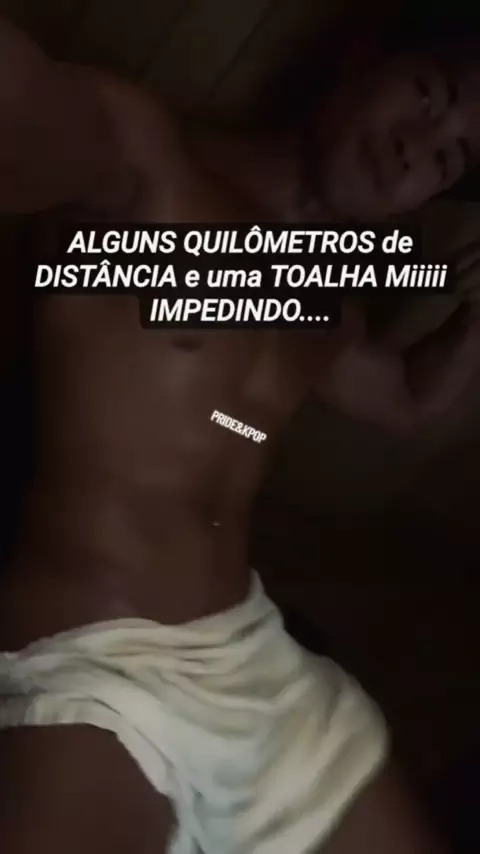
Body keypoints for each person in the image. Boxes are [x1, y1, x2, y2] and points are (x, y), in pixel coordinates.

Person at [0, 12, 477, 854]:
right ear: (360, 60)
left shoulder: (324, 306)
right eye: (426, 96)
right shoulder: (150, 172)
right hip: (91, 662)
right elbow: (32, 103)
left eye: (449, 159)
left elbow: (408, 399)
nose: (416, 149)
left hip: (254, 659)